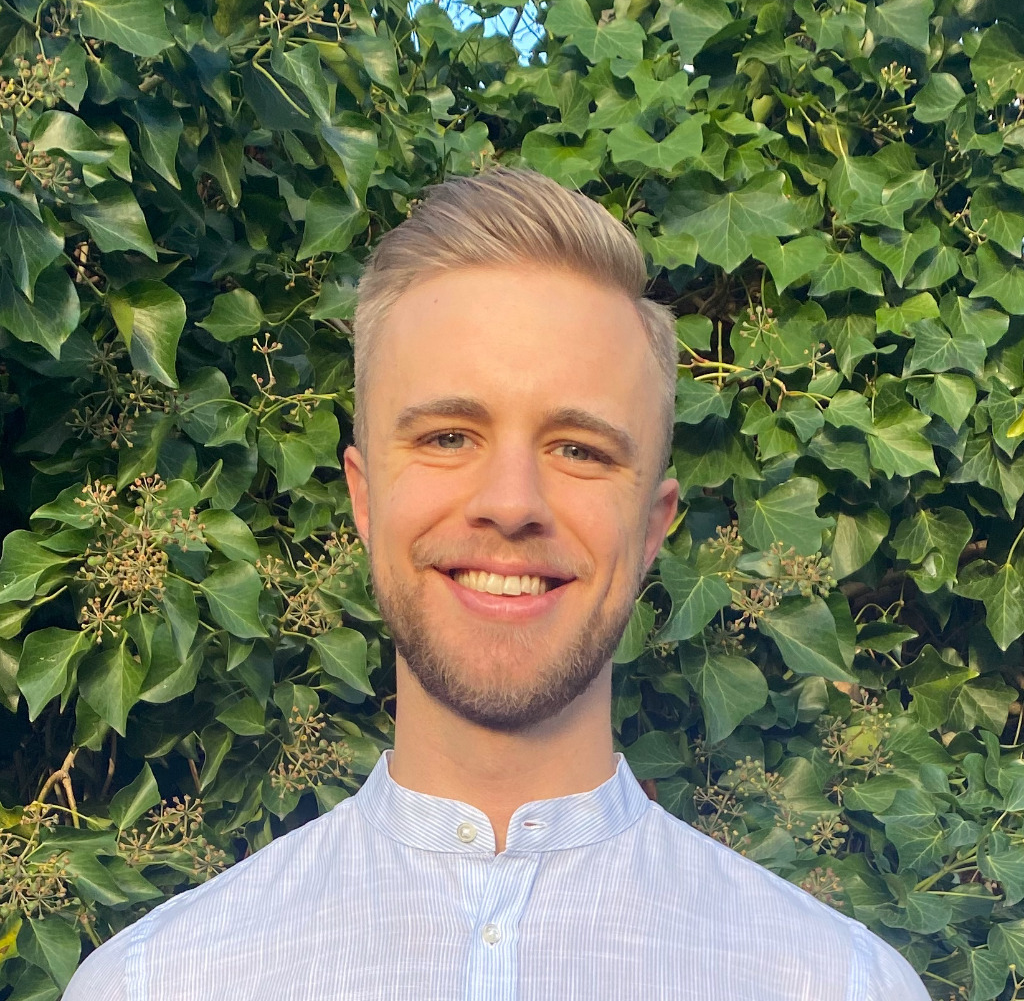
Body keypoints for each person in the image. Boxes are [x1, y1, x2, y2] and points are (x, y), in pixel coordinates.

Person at [65, 167, 928, 1000]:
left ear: (652, 527)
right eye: (447, 437)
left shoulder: (839, 986)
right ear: (364, 498)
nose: (512, 504)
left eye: (579, 449)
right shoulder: (154, 985)